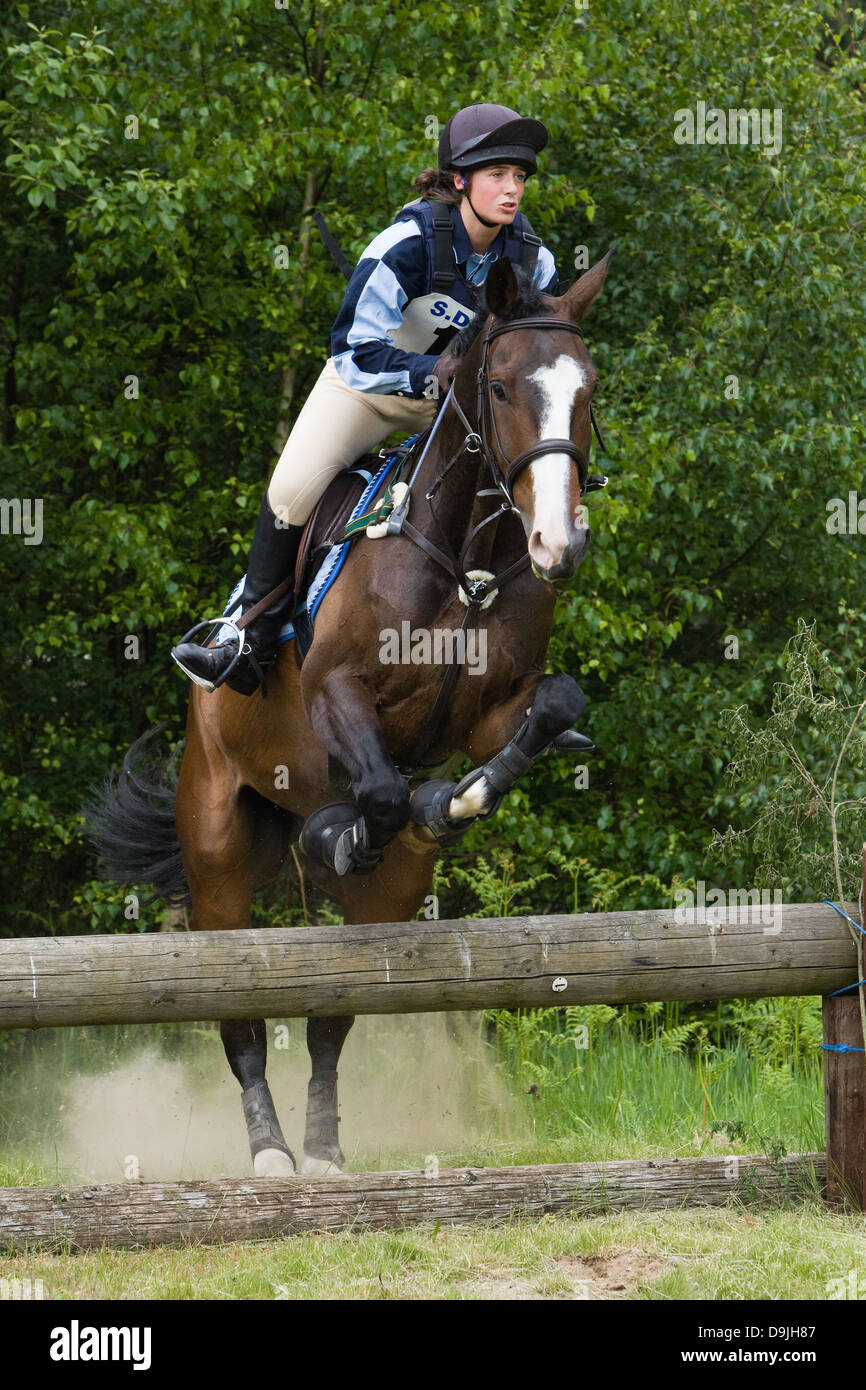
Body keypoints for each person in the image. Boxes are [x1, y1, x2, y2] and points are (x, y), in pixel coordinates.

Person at [171, 103, 560, 695]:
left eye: (520, 178)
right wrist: (434, 368)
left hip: (456, 408)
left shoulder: (535, 262)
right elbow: (353, 349)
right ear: (460, 180)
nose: (513, 191)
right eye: (498, 175)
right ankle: (243, 634)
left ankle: (513, 676)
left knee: (528, 486)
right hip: (368, 391)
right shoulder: (406, 244)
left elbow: (536, 360)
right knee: (291, 489)